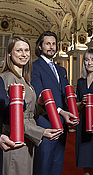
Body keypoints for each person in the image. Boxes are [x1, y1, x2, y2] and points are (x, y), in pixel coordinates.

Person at [0, 36, 63, 175]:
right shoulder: (8, 78)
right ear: (10, 53)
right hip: (15, 141)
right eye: (19, 50)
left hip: (27, 140)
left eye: (26, 50)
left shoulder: (24, 79)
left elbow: (30, 112)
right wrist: (42, 132)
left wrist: (39, 104)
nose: (24, 54)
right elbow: (12, 120)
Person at [31, 31, 78, 175]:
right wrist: (62, 112)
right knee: (43, 166)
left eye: (53, 44)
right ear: (40, 46)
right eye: (47, 44)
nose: (51, 47)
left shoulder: (61, 69)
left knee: (57, 166)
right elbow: (41, 96)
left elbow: (66, 95)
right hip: (45, 124)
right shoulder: (34, 67)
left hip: (62, 124)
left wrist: (79, 103)